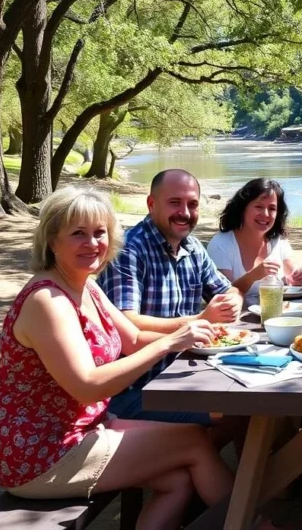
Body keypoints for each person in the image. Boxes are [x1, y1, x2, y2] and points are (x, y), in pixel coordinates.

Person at [0, 187, 233, 530]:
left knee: (179, 478)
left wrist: (193, 336)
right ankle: (253, 522)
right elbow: (87, 386)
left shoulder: (86, 285)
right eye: (78, 234)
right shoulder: (47, 301)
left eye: (99, 232)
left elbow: (131, 340)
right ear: (52, 241)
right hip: (39, 453)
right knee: (193, 441)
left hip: (85, 427)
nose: (92, 243)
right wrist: (167, 344)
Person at [98, 169, 244, 428]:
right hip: (138, 389)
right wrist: (198, 320)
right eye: (175, 202)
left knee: (253, 398)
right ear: (151, 204)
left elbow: (228, 290)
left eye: (193, 204)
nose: (185, 213)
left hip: (186, 373)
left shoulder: (193, 247)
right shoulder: (129, 250)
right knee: (235, 413)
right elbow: (126, 323)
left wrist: (234, 300)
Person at [207, 178, 302, 307]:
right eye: (258, 206)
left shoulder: (278, 241)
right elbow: (222, 296)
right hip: (238, 322)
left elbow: (293, 279)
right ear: (242, 208)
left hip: (278, 316)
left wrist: (300, 279)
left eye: (272, 208)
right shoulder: (221, 244)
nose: (265, 214)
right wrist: (253, 276)